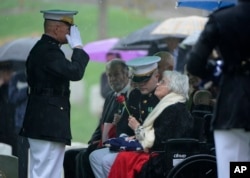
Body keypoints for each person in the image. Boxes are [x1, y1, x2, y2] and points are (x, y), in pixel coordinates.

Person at [19, 9, 89, 178]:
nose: (70, 33)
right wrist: (78, 48)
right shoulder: (48, 52)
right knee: (47, 170)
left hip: (44, 121)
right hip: (48, 121)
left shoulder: (44, 49)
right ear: (56, 28)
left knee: (45, 169)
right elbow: (75, 72)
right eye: (68, 28)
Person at [186, 1, 250, 178]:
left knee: (235, 170)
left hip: (233, 105)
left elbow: (194, 64)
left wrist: (216, 73)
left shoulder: (222, 18)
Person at [108, 70, 194, 178]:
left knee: (123, 159)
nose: (158, 83)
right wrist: (136, 135)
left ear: (172, 87)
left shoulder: (173, 109)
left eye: (162, 82)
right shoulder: (171, 106)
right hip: (161, 153)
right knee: (122, 157)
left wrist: (137, 128)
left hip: (163, 160)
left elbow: (159, 140)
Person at [89, 56, 161, 178]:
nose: (141, 84)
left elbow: (158, 132)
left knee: (107, 161)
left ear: (156, 76)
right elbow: (123, 124)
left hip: (149, 148)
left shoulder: (159, 97)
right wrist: (124, 138)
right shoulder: (135, 95)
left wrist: (137, 131)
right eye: (138, 80)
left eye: (145, 80)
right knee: (94, 157)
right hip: (132, 144)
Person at [63, 59, 130, 178]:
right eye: (109, 75)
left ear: (126, 74)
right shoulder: (110, 96)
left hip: (119, 144)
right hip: (103, 143)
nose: (112, 79)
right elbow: (101, 123)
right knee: (69, 155)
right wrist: (93, 141)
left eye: (116, 74)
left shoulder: (132, 95)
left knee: (84, 157)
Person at [8, 70, 29, 178]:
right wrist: (28, 89)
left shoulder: (38, 75)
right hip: (21, 124)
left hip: (36, 124)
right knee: (22, 157)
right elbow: (13, 97)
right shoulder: (17, 78)